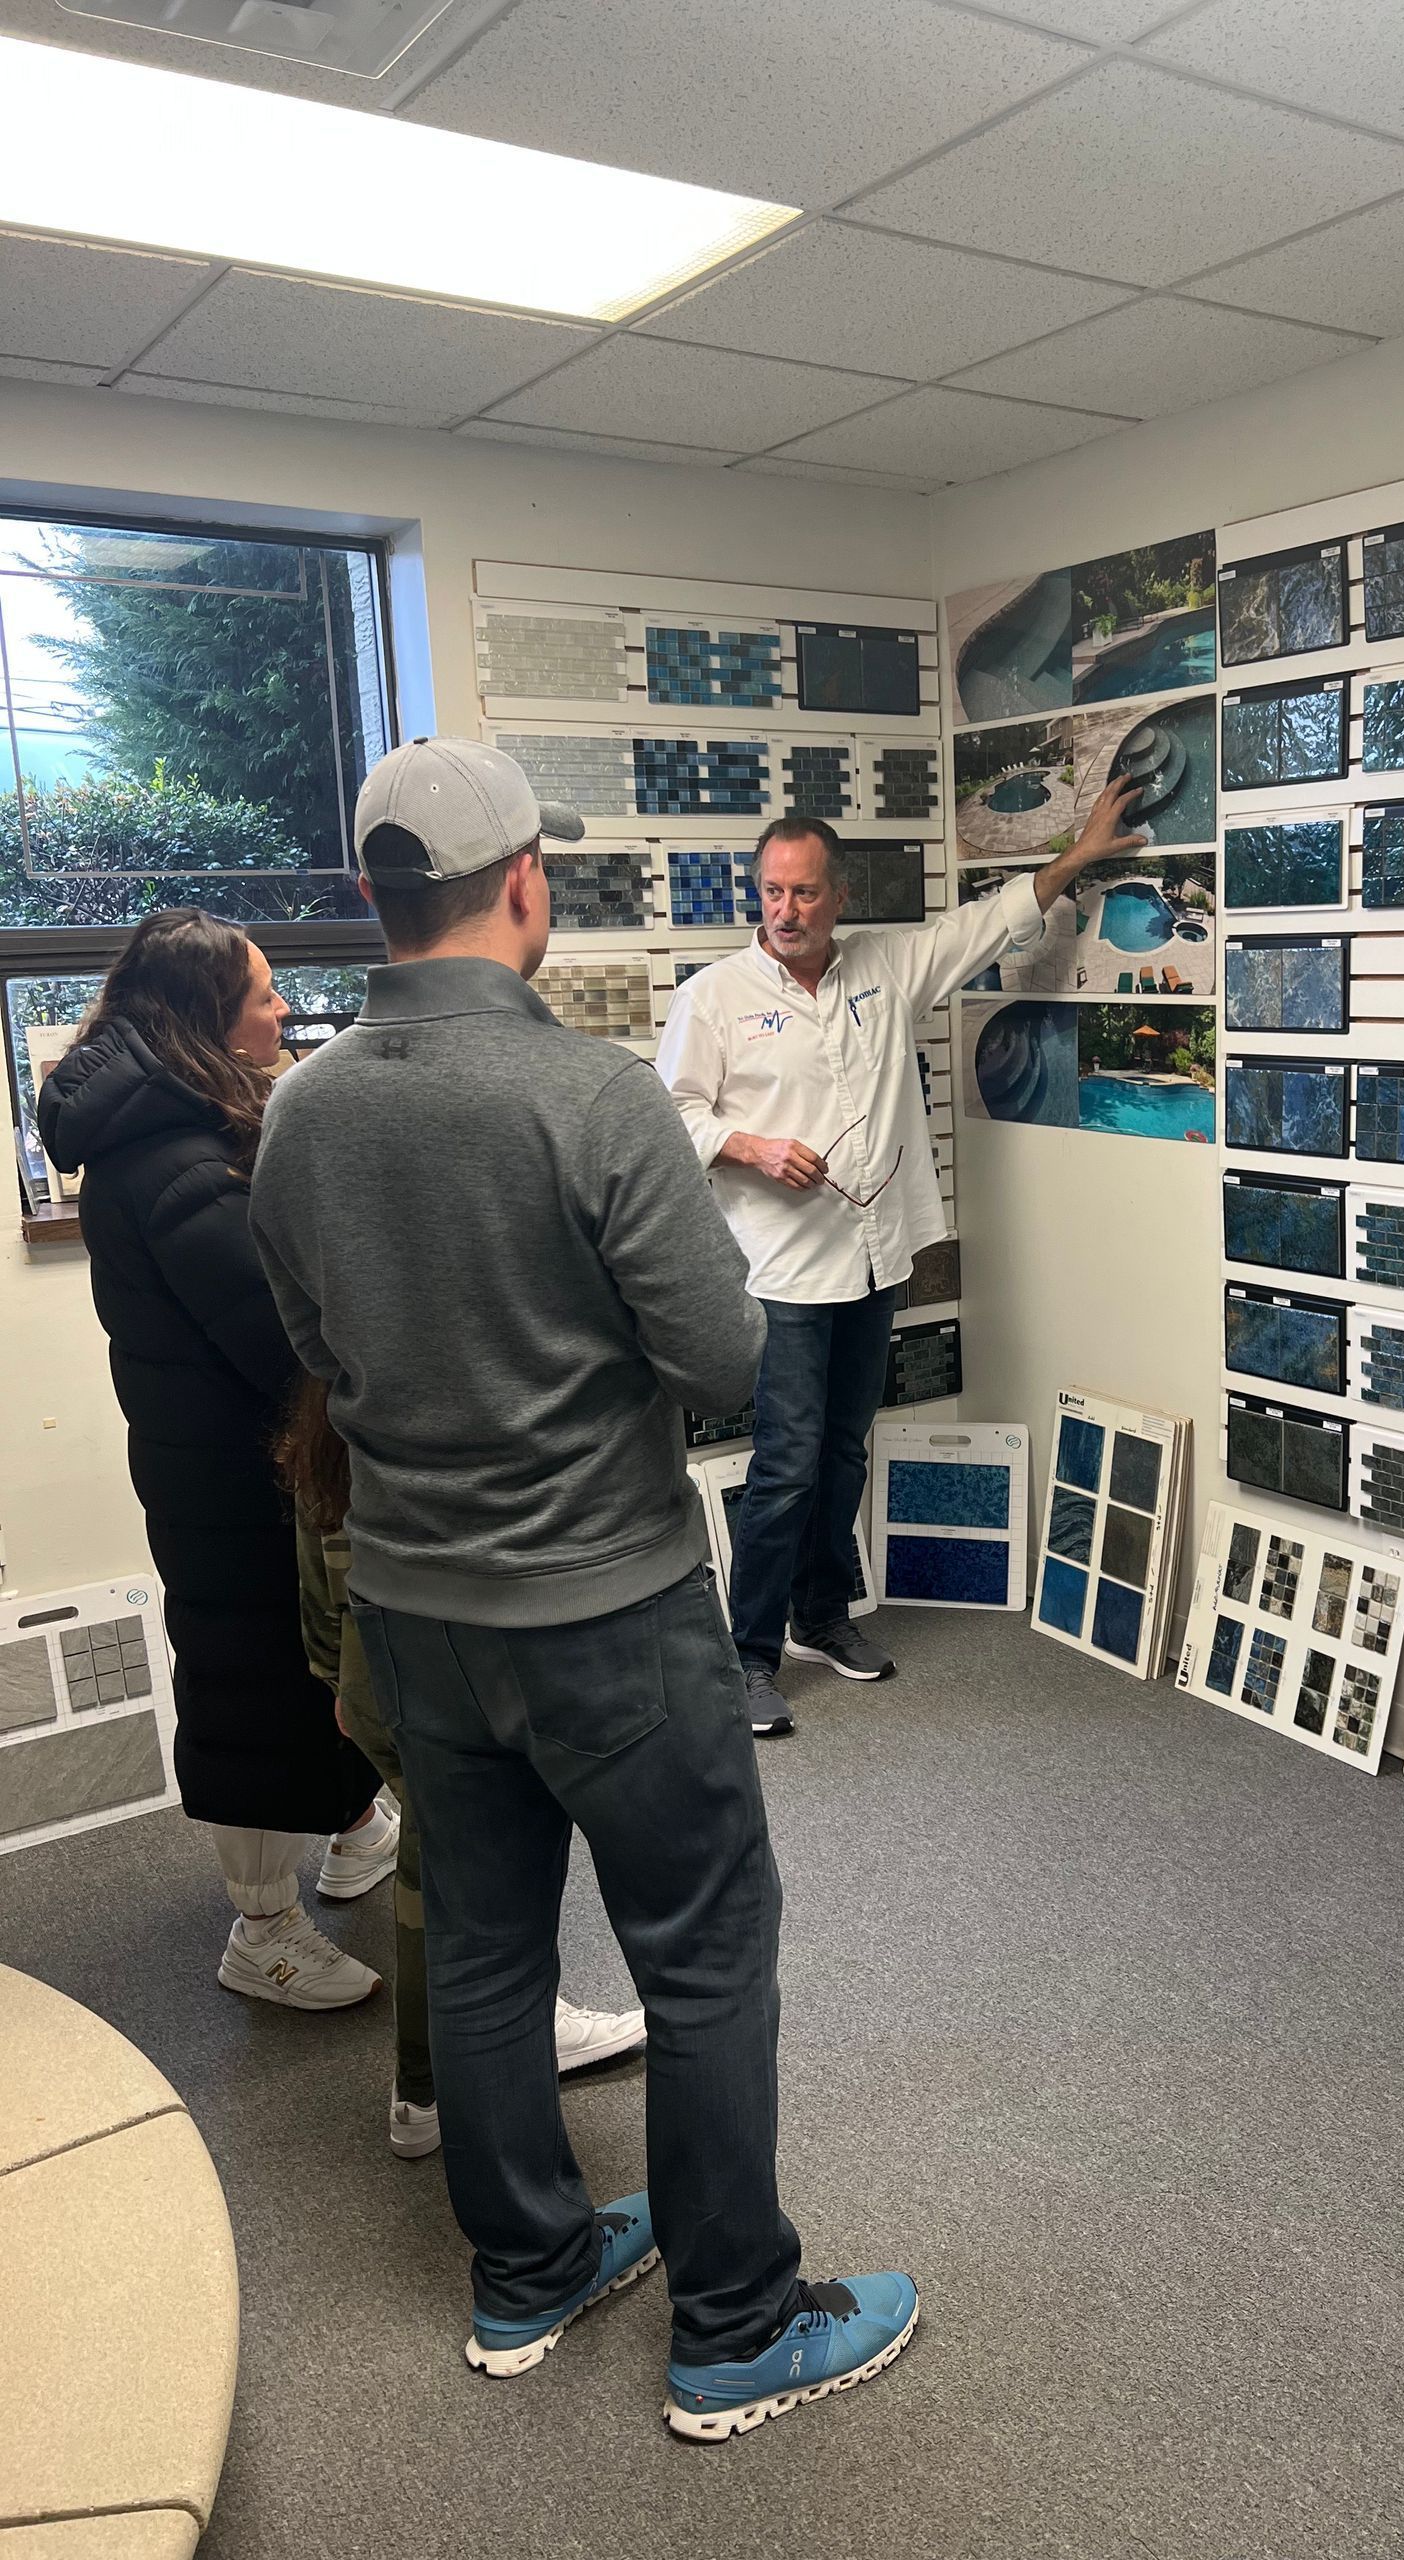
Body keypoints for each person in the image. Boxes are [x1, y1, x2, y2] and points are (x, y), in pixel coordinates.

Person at [249, 736, 916, 2436]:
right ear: (528, 885)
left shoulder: (304, 1110)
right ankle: (736, 2333)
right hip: (605, 1611)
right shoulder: (595, 1097)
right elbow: (719, 1348)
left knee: (478, 1942)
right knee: (701, 1954)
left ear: (375, 901)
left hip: (418, 1610)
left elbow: (319, 1349)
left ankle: (531, 2270)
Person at [655, 785, 1144, 1735]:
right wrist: (751, 1147)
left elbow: (986, 922)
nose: (784, 911)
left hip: (875, 1258)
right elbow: (670, 1117)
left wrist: (1076, 858)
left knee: (845, 1449)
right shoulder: (712, 998)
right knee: (788, 1462)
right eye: (770, 892)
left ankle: (821, 1617)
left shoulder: (886, 968)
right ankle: (748, 1658)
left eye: (802, 893)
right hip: (783, 1270)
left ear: (839, 897)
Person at [37, 909, 395, 2011]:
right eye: (264, 995)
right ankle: (263, 1931)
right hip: (226, 1473)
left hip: (248, 1458)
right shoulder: (169, 1157)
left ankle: (350, 1832)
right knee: (252, 1686)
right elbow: (277, 1331)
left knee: (310, 1666)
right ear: (208, 1020)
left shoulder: (182, 1119)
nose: (284, 1009)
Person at [274, 1375, 650, 2158]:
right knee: (456, 1879)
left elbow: (322, 1556)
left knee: (450, 1866)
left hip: (371, 1672)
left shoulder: (338, 1394)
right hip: (454, 1669)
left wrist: (332, 1675)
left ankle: (463, 2062)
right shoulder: (459, 1400)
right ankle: (430, 2086)